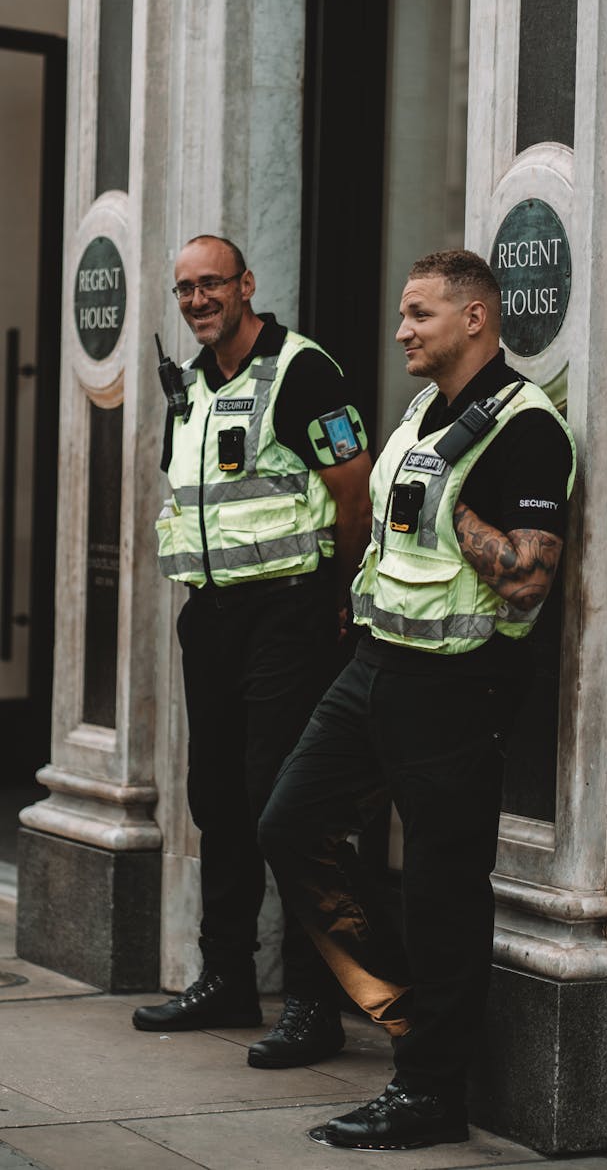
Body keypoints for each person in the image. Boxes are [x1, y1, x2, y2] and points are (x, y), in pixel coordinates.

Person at [258, 249, 576, 1150]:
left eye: (420, 314)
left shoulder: (525, 425)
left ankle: (429, 1091)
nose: (402, 330)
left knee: (442, 889)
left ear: (475, 318)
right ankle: (406, 1003)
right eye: (404, 314)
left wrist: (458, 513)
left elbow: (528, 580)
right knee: (288, 820)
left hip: (455, 687)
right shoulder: (420, 415)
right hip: (373, 670)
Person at [132, 235, 372, 1071]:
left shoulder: (302, 370)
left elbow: (354, 488)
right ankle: (227, 976)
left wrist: (339, 593)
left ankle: (315, 1001)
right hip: (214, 617)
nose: (197, 301)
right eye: (185, 290)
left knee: (284, 802)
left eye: (211, 285)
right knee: (219, 800)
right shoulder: (193, 387)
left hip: (291, 614)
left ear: (246, 286)